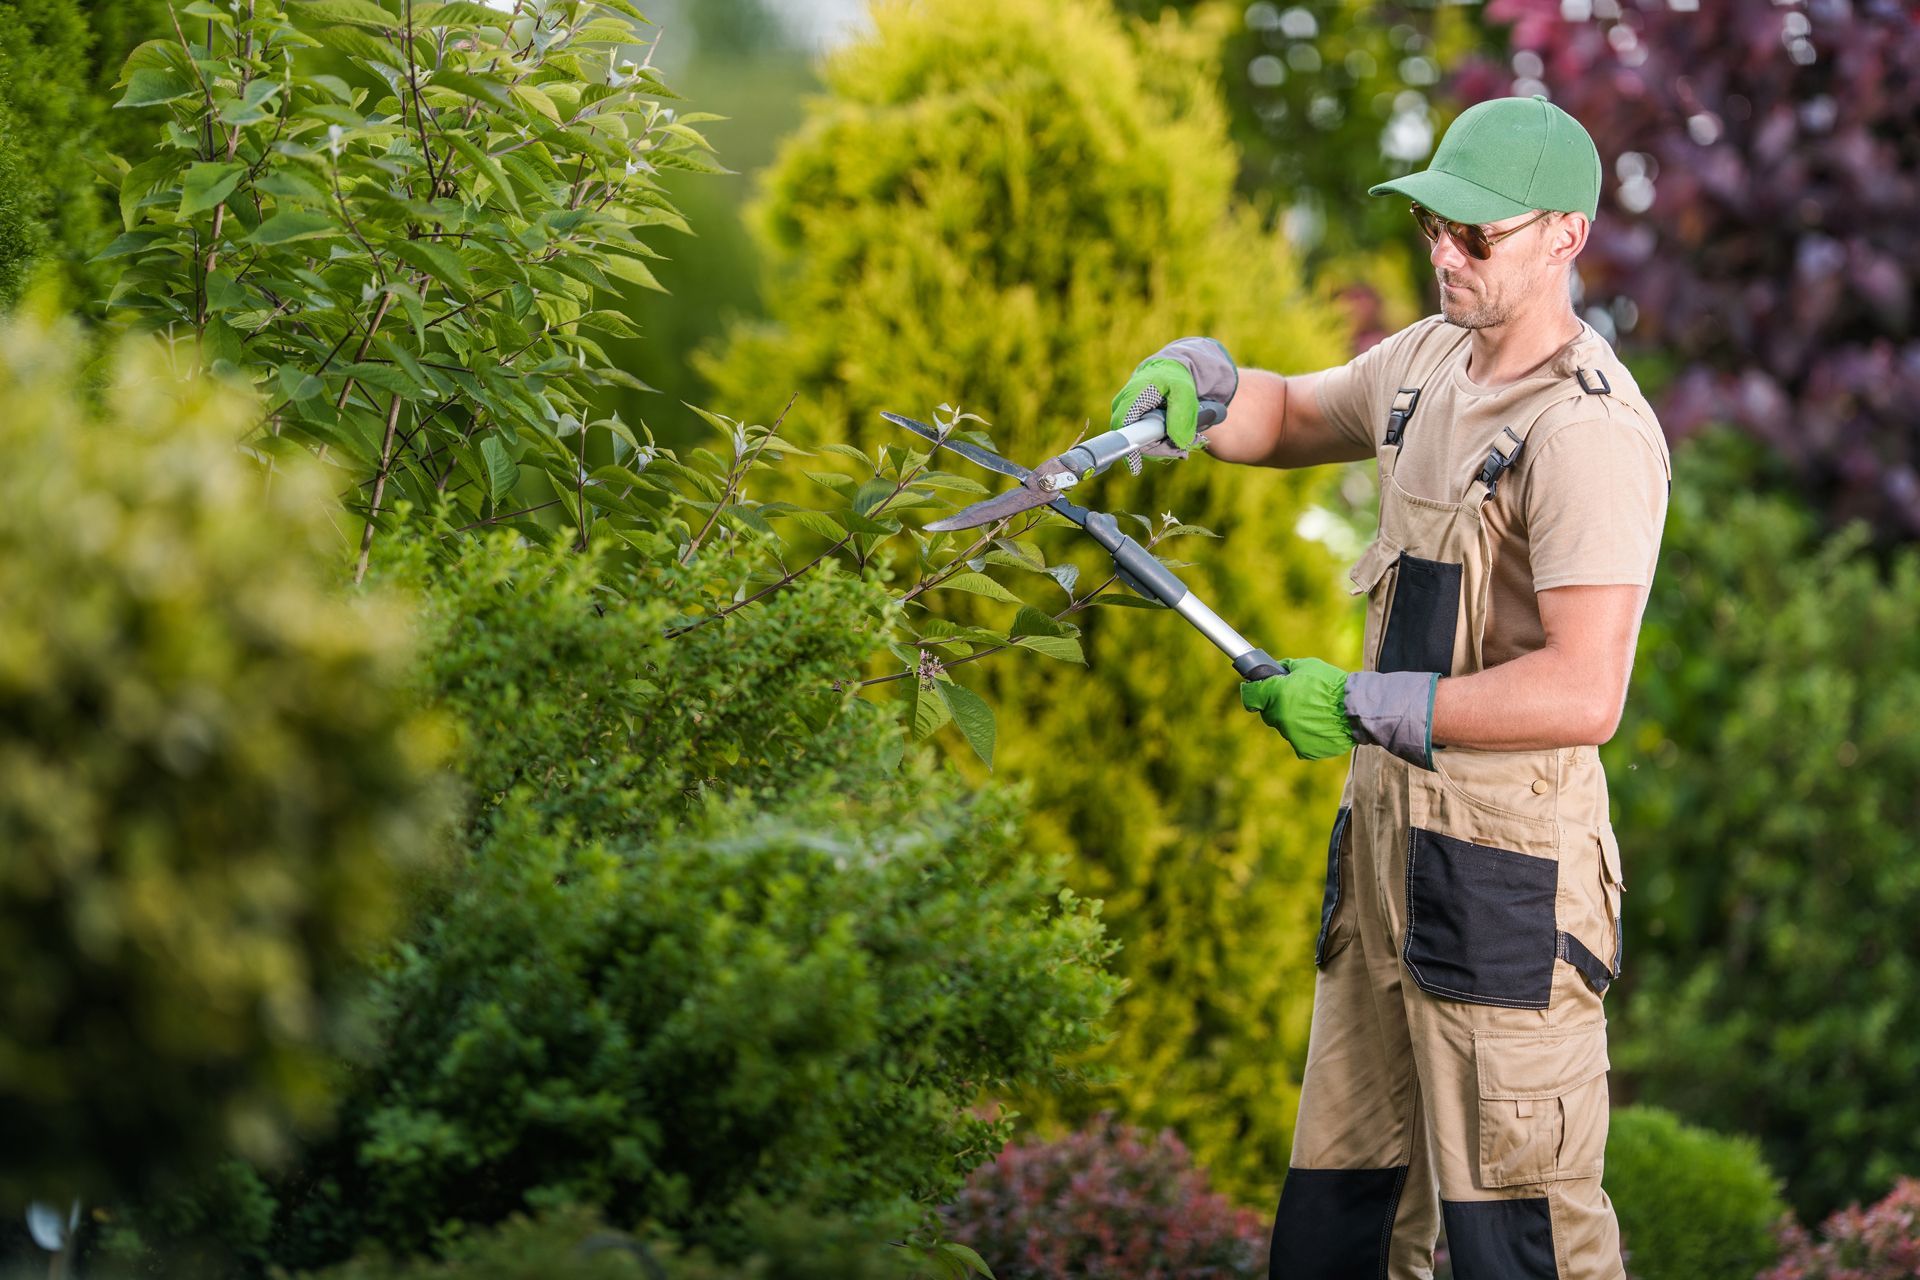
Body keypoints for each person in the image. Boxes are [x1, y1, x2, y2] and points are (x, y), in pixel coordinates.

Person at [1108, 96, 1670, 1279]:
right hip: (1381, 870)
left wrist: (1364, 704)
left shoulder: (1588, 434)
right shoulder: (1426, 364)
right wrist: (1201, 382)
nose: (1444, 254)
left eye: (1477, 236)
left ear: (1566, 234)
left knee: (1519, 1247)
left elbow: (1585, 692)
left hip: (1507, 893)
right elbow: (1292, 412)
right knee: (1342, 1230)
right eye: (1433, 228)